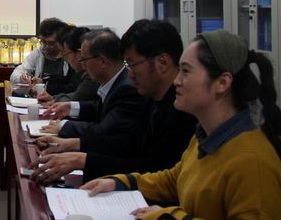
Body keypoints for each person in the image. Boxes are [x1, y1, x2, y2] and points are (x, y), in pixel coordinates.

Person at [82, 30, 281, 220]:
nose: (176, 80)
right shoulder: (205, 136)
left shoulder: (252, 161)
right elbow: (175, 178)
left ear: (222, 83)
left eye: (185, 71)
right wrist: (123, 181)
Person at [30, 20, 197, 183]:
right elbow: (126, 143)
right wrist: (73, 146)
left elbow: (155, 170)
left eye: (133, 64)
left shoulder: (183, 110)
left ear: (163, 62)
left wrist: (82, 160)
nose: (130, 74)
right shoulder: (152, 97)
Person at [39, 29, 148, 152]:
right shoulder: (117, 81)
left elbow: (105, 131)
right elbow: (99, 108)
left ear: (102, 61)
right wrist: (71, 107)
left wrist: (63, 126)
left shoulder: (128, 89)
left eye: (84, 60)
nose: (83, 66)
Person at [9, 18, 73, 94]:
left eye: (51, 43)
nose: (46, 47)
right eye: (43, 42)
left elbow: (71, 87)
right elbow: (16, 73)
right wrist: (21, 78)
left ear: (61, 41)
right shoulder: (38, 53)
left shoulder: (70, 55)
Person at [36, 26, 98, 105]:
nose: (64, 58)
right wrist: (55, 98)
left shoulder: (92, 75)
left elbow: (77, 97)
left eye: (64, 52)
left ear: (79, 53)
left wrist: (55, 100)